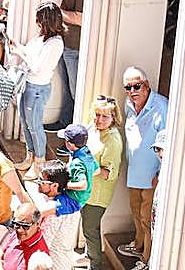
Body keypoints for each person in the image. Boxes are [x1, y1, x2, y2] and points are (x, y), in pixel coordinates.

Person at [118, 65, 169, 268]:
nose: (132, 92)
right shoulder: (129, 104)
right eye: (128, 87)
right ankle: (138, 246)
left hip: (152, 177)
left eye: (136, 86)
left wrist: (160, 173)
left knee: (148, 220)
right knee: (136, 213)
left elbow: (167, 144)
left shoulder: (162, 107)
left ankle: (146, 260)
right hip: (135, 173)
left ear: (146, 86)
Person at [8, 2, 66, 175]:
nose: (37, 23)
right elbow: (30, 53)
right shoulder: (41, 38)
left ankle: (39, 163)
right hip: (27, 84)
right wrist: (18, 47)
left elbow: (39, 67)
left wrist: (20, 53)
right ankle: (30, 157)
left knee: (34, 126)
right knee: (26, 124)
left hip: (37, 89)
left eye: (39, 19)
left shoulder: (55, 43)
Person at [48, 0, 86, 130]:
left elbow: (80, 18)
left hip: (75, 46)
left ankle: (73, 133)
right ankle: (64, 124)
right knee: (67, 88)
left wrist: (56, 12)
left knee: (75, 90)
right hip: (66, 43)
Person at [82, 95, 124, 270]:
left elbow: (109, 174)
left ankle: (95, 265)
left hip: (97, 195)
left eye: (104, 116)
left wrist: (86, 164)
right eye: (97, 114)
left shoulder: (113, 140)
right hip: (86, 190)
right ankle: (89, 257)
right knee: (88, 228)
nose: (99, 119)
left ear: (113, 118)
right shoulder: (93, 128)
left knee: (90, 230)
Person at [34, 160, 81, 269]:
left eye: (42, 181)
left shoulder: (54, 212)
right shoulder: (67, 202)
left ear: (55, 185)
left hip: (54, 262)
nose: (38, 182)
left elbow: (43, 242)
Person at [0, 203, 53, 270]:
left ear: (37, 223)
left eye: (25, 226)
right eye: (16, 224)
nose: (20, 230)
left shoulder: (39, 258)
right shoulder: (17, 233)